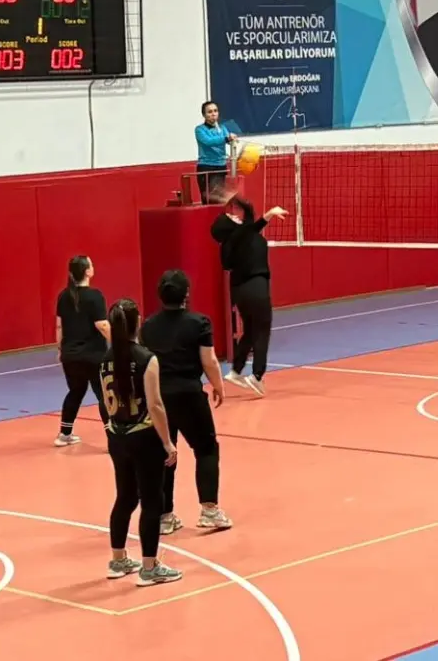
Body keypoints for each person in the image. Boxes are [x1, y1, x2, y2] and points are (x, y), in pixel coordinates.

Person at [140, 269, 233, 535]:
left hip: (158, 398)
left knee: (165, 454)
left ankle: (164, 516)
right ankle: (209, 511)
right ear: (186, 294)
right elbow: (209, 360)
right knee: (206, 449)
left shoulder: (148, 326)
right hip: (189, 395)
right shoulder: (199, 323)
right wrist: (218, 384)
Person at [100, 297, 182, 586]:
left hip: (117, 436)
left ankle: (118, 559)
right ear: (138, 323)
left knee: (124, 497)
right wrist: (167, 443)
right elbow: (155, 405)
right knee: (151, 500)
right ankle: (149, 566)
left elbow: (106, 402)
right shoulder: (147, 359)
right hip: (143, 436)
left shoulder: (105, 359)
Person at [210, 186, 288, 395]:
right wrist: (235, 198)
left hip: (239, 291)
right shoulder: (242, 233)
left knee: (251, 330)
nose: (234, 215)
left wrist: (267, 214)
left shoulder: (230, 243)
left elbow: (253, 222)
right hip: (256, 286)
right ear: (230, 225)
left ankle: (236, 371)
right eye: (230, 216)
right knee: (262, 329)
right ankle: (257, 376)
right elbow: (251, 217)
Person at [54, 255, 109, 446]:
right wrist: (122, 343)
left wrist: (61, 349)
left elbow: (59, 326)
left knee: (75, 391)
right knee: (103, 395)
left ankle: (64, 434)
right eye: (91, 264)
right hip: (93, 355)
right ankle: (113, 438)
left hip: (70, 355)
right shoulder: (95, 296)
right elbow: (102, 325)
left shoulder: (63, 296)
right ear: (87, 271)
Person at [194, 101, 235, 204]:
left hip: (221, 166)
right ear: (204, 115)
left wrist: (232, 139)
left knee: (220, 200)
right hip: (206, 167)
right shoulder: (199, 130)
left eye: (215, 111)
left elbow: (228, 140)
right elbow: (208, 141)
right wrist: (226, 138)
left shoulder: (222, 128)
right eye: (210, 112)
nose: (213, 114)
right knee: (209, 200)